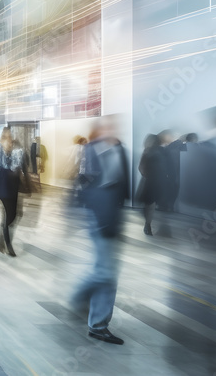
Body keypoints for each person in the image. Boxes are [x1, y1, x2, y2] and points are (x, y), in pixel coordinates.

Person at [72, 116, 129, 345]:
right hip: (97, 217)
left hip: (113, 219)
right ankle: (95, 321)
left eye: (114, 126)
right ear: (99, 130)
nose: (112, 130)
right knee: (106, 274)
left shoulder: (120, 150)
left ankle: (92, 311)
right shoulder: (90, 150)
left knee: (105, 271)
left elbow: (123, 186)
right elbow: (82, 185)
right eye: (107, 127)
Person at [0, 128, 23, 257]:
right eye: (8, 136)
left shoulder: (15, 148)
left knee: (15, 214)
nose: (10, 138)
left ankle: (1, 237)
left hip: (14, 183)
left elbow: (19, 164)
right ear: (4, 136)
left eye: (11, 136)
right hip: (3, 183)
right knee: (9, 214)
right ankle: (8, 244)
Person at [137, 134, 166, 236]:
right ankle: (147, 224)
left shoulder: (147, 151)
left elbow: (141, 167)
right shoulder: (160, 151)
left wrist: (147, 174)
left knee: (149, 204)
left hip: (149, 181)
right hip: (155, 180)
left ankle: (147, 224)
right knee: (151, 204)